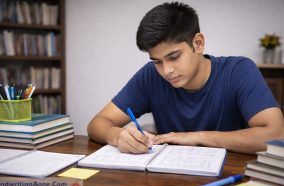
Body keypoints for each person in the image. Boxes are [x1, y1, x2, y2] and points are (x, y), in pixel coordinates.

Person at [87, 2, 284, 154]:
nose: (166, 70)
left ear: (198, 44)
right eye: (157, 61)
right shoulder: (150, 75)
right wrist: (118, 135)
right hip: (171, 183)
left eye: (174, 57)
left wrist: (196, 137)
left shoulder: (239, 71)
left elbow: (276, 135)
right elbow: (97, 124)